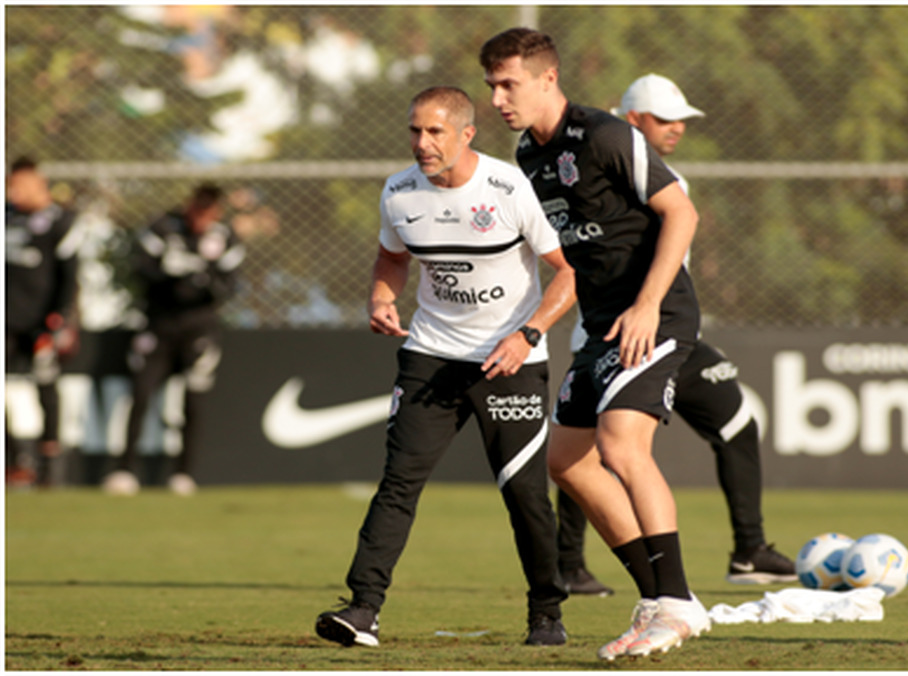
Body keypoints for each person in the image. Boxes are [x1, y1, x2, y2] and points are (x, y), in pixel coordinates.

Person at [314, 86, 576, 649]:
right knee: (398, 483)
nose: (422, 143)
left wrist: (527, 334)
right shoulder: (399, 191)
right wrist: (382, 298)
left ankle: (546, 614)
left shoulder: (508, 188)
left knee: (525, 494)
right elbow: (392, 256)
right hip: (430, 356)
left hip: (512, 362)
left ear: (466, 134)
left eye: (434, 132)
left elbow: (568, 272)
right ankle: (363, 610)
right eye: (414, 130)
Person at [480, 28, 709, 661]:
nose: (498, 98)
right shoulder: (528, 155)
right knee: (566, 460)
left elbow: (682, 214)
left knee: (621, 443)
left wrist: (646, 304)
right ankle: (658, 598)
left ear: (547, 79)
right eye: (491, 86)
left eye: (509, 84)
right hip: (601, 320)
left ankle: (677, 601)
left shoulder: (606, 135)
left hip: (654, 315)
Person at [556, 74, 796, 591]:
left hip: (664, 330)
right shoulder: (599, 169)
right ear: (632, 119)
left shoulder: (662, 179)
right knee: (585, 453)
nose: (678, 129)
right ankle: (577, 566)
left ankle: (746, 550)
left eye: (682, 120)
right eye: (666, 119)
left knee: (730, 424)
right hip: (620, 336)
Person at [102, 183, 244, 496]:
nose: (201, 221)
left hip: (200, 330)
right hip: (159, 326)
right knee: (140, 394)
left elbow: (228, 286)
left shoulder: (225, 238)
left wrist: (198, 278)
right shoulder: (163, 228)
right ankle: (125, 470)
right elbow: (142, 269)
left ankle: (183, 474)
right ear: (189, 206)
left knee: (193, 402)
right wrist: (171, 275)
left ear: (217, 213)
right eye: (198, 212)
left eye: (209, 215)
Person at [5, 156, 82, 488]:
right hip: (5, 320)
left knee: (46, 387)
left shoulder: (61, 222)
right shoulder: (6, 217)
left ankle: (50, 463)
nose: (12, 192)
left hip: (41, 321)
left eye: (19, 186)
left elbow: (69, 277)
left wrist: (56, 322)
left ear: (38, 185)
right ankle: (13, 461)